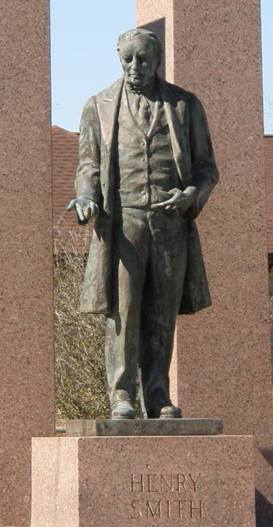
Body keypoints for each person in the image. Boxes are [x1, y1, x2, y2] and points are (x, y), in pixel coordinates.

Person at [68, 28, 219, 420]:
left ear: (158, 60)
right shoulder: (97, 106)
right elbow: (88, 165)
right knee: (124, 312)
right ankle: (122, 395)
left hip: (170, 225)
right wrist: (86, 197)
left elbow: (206, 170)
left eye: (144, 60)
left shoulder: (186, 106)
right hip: (124, 224)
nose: (136, 67)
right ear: (119, 58)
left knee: (160, 314)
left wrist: (192, 196)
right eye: (128, 60)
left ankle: (157, 394)